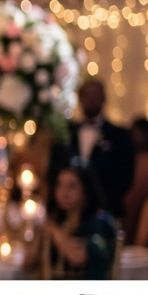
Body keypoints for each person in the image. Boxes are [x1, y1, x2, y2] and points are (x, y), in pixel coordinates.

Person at [55, 79, 134, 219]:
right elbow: (55, 170)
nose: (91, 99)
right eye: (87, 95)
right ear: (80, 98)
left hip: (106, 211)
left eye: (96, 94)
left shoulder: (119, 135)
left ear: (104, 98)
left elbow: (125, 176)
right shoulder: (65, 133)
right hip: (67, 213)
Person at [26, 163, 117, 279]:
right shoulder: (57, 221)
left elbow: (78, 258)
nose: (64, 193)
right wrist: (41, 234)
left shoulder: (101, 223)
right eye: (59, 185)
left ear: (86, 190)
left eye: (72, 186)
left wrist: (56, 233)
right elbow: (28, 263)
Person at [123, 118, 148, 237]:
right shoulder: (128, 156)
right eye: (133, 134)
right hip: (128, 203)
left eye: (139, 134)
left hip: (147, 202)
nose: (136, 137)